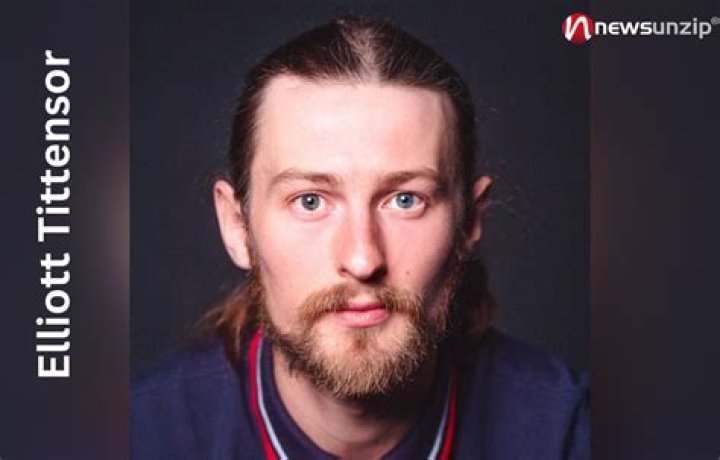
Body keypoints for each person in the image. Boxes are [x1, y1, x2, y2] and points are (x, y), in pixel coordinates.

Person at [132, 16, 589, 459]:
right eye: (310, 201)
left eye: (406, 200)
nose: (362, 258)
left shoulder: (569, 432)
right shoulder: (137, 434)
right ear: (237, 225)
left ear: (468, 221)